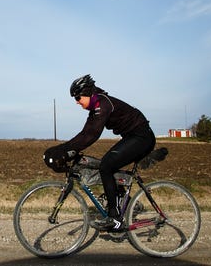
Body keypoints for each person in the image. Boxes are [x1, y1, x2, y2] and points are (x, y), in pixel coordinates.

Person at [43, 74, 156, 231]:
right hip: (134, 136)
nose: (76, 102)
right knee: (110, 164)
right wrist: (62, 149)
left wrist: (65, 150)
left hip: (142, 137)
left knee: (106, 166)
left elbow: (91, 135)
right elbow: (84, 134)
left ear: (88, 92)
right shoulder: (96, 107)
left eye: (77, 97)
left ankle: (114, 217)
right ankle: (126, 201)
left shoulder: (103, 104)